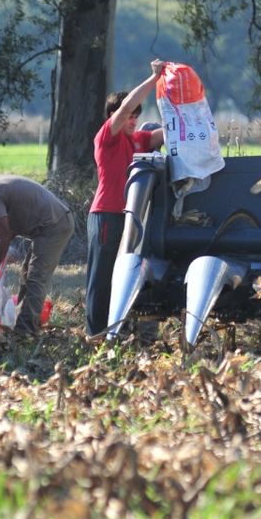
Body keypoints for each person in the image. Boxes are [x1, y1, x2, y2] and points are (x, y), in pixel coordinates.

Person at [86, 60, 167, 336]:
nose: (132, 120)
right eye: (129, 115)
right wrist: (153, 79)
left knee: (126, 274)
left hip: (132, 218)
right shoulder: (107, 136)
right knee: (103, 277)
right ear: (114, 115)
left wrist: (182, 103)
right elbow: (126, 105)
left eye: (136, 116)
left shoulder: (139, 140)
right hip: (107, 214)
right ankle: (96, 334)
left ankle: (120, 331)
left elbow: (166, 133)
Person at [0, 173, 75, 335]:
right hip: (52, 221)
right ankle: (22, 322)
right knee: (26, 273)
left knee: (36, 277)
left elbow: (6, 235)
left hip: (53, 224)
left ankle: (24, 331)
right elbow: (13, 221)